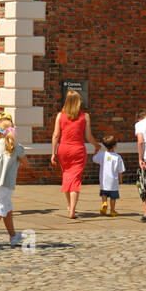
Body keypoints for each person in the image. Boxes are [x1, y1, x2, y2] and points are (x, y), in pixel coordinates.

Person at [50, 90, 99, 219]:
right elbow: (88, 136)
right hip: (78, 150)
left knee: (67, 177)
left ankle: (69, 206)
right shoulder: (85, 116)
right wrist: (96, 145)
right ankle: (72, 210)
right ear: (78, 102)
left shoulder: (60, 116)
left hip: (63, 150)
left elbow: (55, 135)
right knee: (75, 179)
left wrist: (53, 153)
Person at [92, 135, 125, 216]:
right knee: (113, 197)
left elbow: (94, 159)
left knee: (104, 194)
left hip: (104, 180)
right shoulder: (118, 157)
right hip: (113, 181)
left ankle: (104, 203)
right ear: (115, 146)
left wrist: (96, 151)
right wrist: (120, 180)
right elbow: (120, 171)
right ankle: (112, 211)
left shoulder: (102, 154)